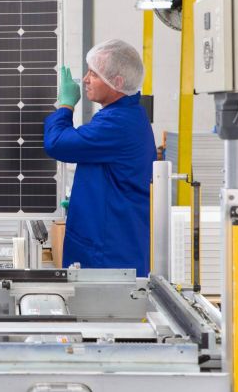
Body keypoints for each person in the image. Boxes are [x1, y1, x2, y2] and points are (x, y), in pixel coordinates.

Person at [43, 39, 156, 277]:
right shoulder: (124, 115)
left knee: (101, 311)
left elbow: (57, 144)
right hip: (109, 241)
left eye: (93, 74)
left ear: (117, 82)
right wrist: (83, 199)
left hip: (109, 254)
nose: (84, 79)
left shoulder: (117, 123)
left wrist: (65, 106)